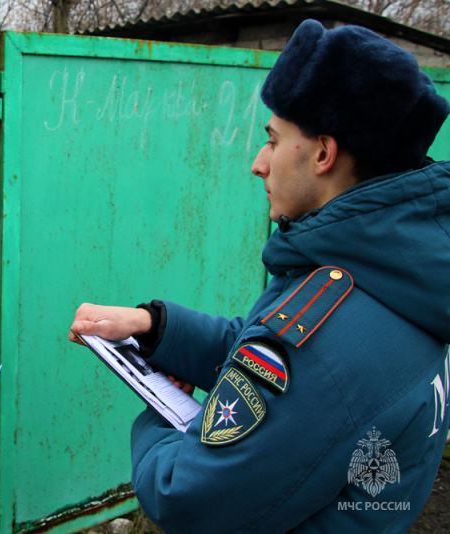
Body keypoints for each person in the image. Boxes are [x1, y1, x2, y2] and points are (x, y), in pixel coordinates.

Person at [69, 19, 450, 532]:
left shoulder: (330, 325)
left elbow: (185, 498)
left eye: (272, 140)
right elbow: (266, 355)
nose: (258, 163)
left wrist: (159, 412)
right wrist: (155, 328)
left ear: (322, 153)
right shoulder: (394, 272)